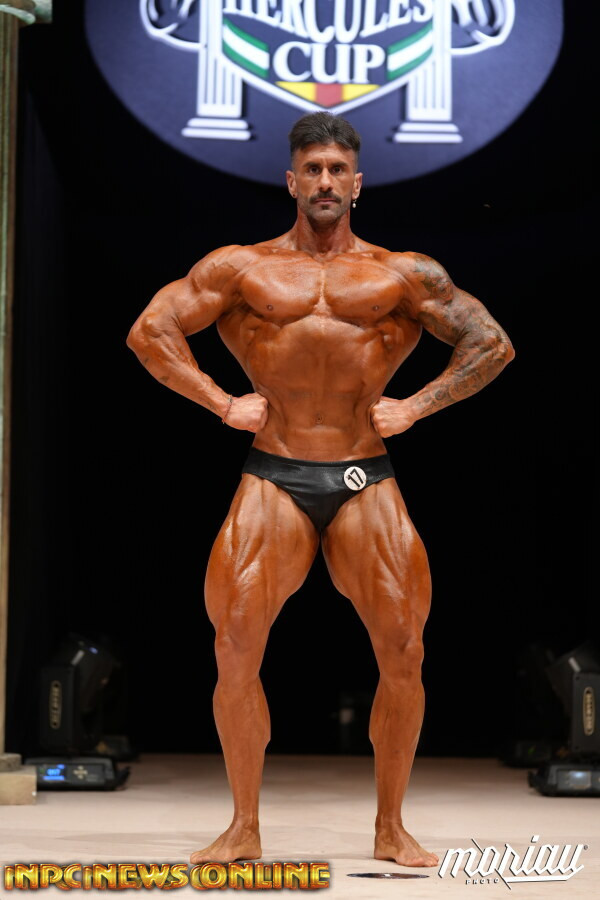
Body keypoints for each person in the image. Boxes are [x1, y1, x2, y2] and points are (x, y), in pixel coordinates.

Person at [127, 112, 514, 867]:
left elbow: (491, 343)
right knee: (235, 645)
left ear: (357, 183)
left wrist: (417, 407)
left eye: (338, 169)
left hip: (364, 473)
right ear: (292, 181)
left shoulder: (401, 274)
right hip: (274, 471)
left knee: (404, 648)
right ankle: (243, 826)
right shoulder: (242, 268)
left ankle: (391, 827)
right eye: (313, 169)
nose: (326, 181)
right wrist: (220, 402)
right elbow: (151, 331)